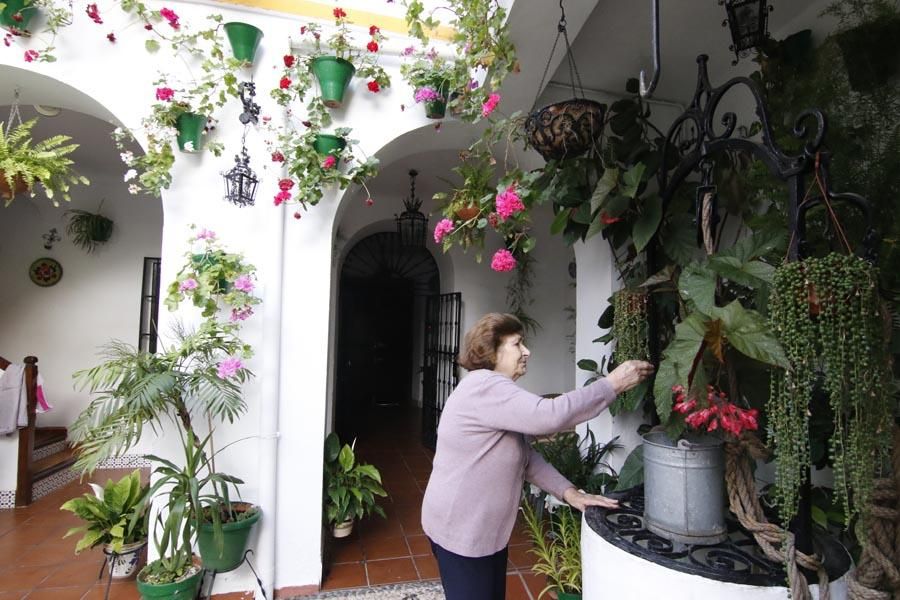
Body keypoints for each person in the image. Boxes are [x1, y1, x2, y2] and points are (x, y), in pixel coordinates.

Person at [421, 312, 654, 600]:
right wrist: (612, 384)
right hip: (462, 531)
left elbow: (524, 457)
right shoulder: (485, 387)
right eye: (518, 344)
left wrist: (569, 493)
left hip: (480, 531)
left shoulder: (491, 390)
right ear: (491, 351)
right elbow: (550, 415)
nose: (526, 351)